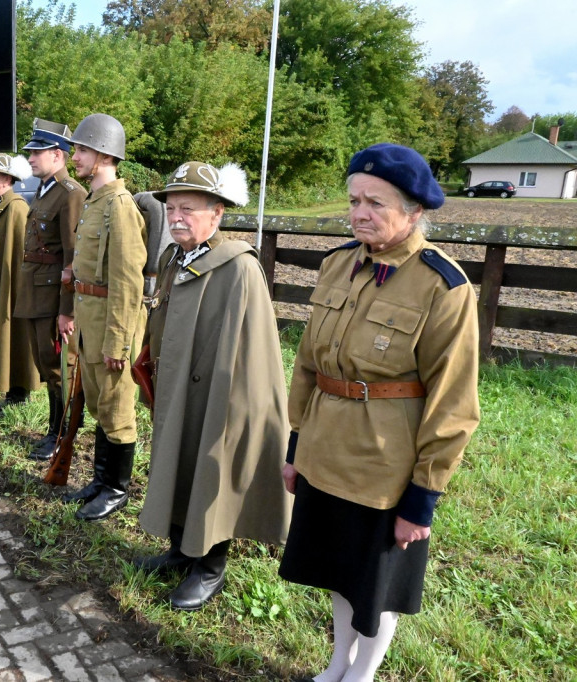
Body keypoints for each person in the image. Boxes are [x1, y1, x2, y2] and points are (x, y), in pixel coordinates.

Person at [279, 143, 480, 681]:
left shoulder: (443, 286)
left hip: (383, 469)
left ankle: (363, 675)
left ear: (415, 212)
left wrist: (423, 498)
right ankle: (336, 663)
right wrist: (297, 447)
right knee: (338, 574)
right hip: (325, 453)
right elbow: (307, 364)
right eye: (354, 200)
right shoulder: (338, 264)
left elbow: (454, 405)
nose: (360, 213)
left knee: (375, 588)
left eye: (376, 203)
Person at [134, 161, 292, 611]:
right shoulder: (172, 258)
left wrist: (237, 408)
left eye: (189, 208)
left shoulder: (237, 267)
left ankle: (210, 566)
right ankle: (181, 549)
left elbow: (256, 351)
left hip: (218, 395)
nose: (177, 217)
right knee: (177, 462)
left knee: (209, 471)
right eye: (172, 208)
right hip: (175, 387)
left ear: (217, 213)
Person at [64, 113, 147, 521]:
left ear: (103, 154)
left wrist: (119, 342)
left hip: (111, 328)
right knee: (99, 404)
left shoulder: (120, 206)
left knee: (117, 410)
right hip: (90, 321)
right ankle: (100, 480)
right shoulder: (95, 201)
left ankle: (116, 488)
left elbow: (128, 283)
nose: (74, 156)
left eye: (81, 149)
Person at [16, 119, 86, 460]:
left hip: (51, 297)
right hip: (34, 292)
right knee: (45, 364)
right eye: (30, 152)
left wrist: (67, 308)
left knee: (58, 367)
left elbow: (72, 256)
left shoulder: (72, 194)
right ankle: (54, 428)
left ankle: (60, 433)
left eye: (36, 152)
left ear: (57, 155)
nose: (30, 158)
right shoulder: (45, 190)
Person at [0, 153, 40, 410]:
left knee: (14, 335)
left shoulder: (16, 208)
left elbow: (21, 254)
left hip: (13, 288)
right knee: (2, 334)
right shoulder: (0, 206)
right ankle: (11, 390)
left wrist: (17, 291)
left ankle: (19, 393)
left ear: (8, 178)